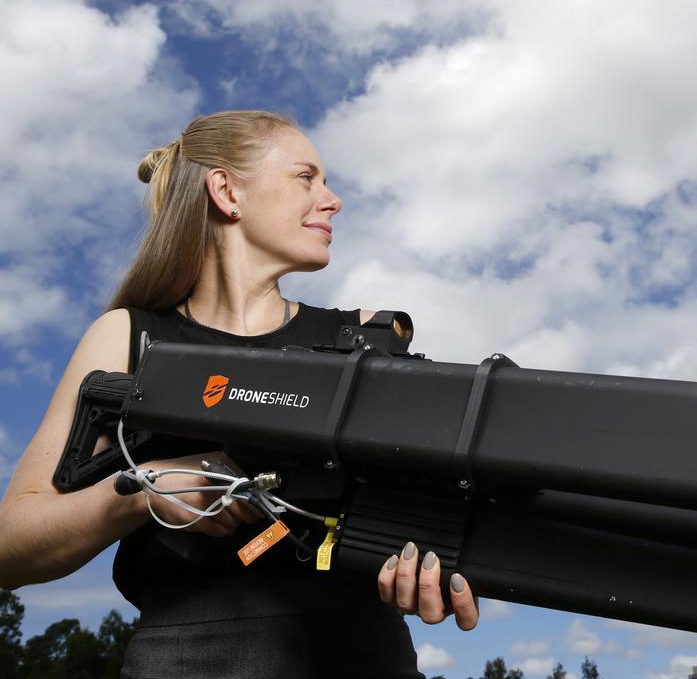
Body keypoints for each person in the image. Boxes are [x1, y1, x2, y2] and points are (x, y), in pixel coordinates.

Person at [0, 110, 477, 677]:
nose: (333, 200)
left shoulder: (369, 340)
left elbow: (441, 515)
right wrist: (141, 491)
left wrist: (435, 564)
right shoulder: (129, 337)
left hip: (363, 656)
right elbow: (11, 547)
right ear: (227, 191)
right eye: (307, 177)